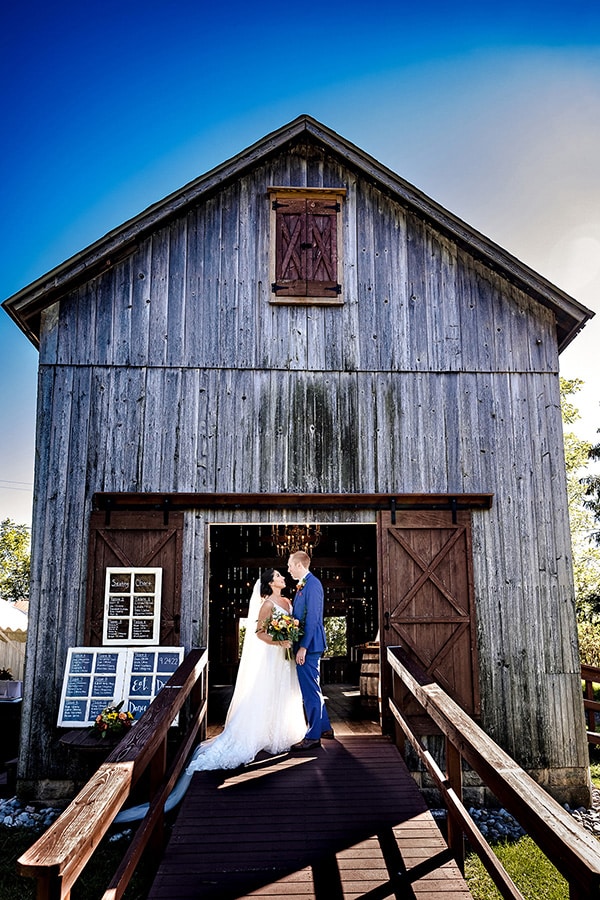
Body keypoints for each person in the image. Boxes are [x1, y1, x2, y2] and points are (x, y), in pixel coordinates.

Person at [115, 569, 305, 823]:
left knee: (283, 693)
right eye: (279, 575)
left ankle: (280, 729)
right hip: (273, 657)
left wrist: (289, 637)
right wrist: (278, 642)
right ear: (271, 583)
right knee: (266, 693)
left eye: (283, 575)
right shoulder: (268, 604)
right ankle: (259, 732)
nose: (283, 578)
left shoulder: (288, 602)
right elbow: (259, 633)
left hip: (285, 660)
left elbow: (291, 625)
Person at [287, 550, 334, 750]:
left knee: (309, 691)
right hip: (306, 644)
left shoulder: (313, 584)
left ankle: (313, 736)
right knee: (312, 687)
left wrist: (303, 647)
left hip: (310, 645)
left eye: (290, 565)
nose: (288, 570)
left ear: (299, 565)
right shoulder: (302, 586)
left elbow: (314, 617)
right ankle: (324, 727)